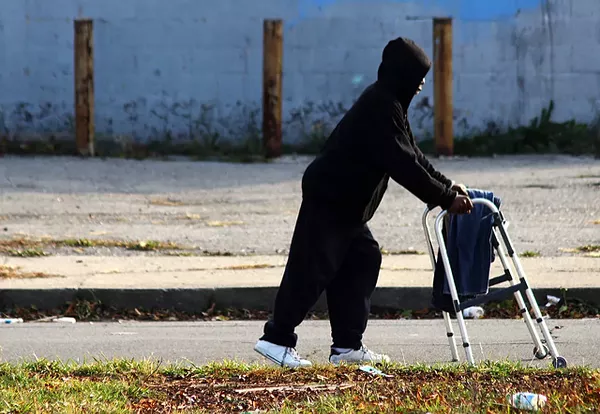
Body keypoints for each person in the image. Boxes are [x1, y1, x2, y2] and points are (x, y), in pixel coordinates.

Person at [254, 37, 473, 368]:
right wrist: (444, 198)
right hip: (330, 198)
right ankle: (276, 339)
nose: (422, 84)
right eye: (418, 76)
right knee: (311, 269)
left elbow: (413, 154)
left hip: (347, 206)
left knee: (362, 260)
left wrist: (447, 186)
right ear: (401, 74)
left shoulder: (391, 104)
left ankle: (346, 347)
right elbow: (403, 165)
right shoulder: (380, 107)